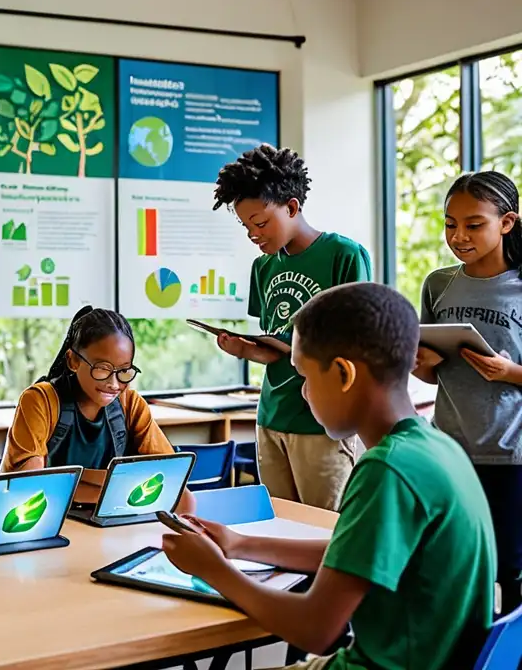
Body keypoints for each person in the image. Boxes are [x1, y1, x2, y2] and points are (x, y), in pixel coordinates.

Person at [162, 283, 496, 670]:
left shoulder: (386, 470)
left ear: (342, 373)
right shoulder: (435, 447)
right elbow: (353, 557)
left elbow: (315, 629)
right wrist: (239, 544)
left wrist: (213, 570)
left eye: (305, 376)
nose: (304, 393)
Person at [212, 144, 372, 510]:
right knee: (280, 526)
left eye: (261, 222)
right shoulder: (263, 268)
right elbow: (274, 346)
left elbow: (355, 344)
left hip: (322, 421)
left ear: (292, 207)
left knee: (325, 533)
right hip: (271, 417)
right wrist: (246, 349)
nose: (253, 234)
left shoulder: (343, 256)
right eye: (246, 225)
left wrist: (291, 345)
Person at [414, 170, 522, 613]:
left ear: (507, 223)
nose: (458, 236)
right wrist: (425, 364)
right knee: (458, 567)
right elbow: (425, 376)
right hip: (451, 451)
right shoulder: (438, 284)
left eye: (474, 224)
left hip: (511, 454)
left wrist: (509, 372)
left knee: (509, 574)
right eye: (449, 223)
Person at [1, 306, 195, 513]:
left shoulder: (130, 403)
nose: (113, 383)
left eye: (123, 371)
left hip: (107, 522)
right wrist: (115, 486)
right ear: (73, 361)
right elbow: (30, 487)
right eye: (102, 368)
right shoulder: (40, 401)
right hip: (45, 518)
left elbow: (171, 475)